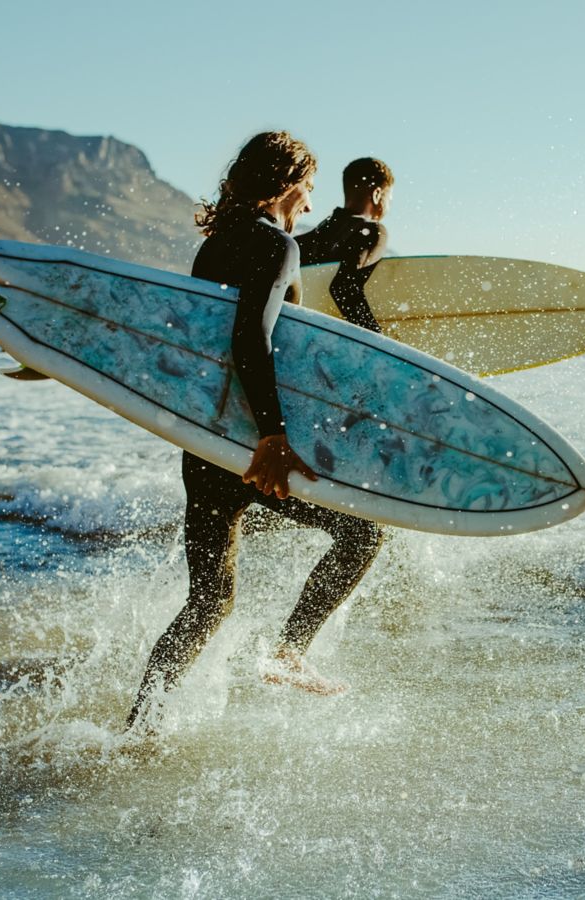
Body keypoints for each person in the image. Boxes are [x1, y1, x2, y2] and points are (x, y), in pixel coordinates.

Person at [126, 132, 384, 729]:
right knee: (362, 535)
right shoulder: (274, 245)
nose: (311, 206)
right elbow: (252, 337)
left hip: (208, 440)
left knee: (209, 602)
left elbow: (205, 341)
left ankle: (139, 729)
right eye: (309, 190)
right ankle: (291, 652)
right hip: (252, 443)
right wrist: (272, 436)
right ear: (289, 183)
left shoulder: (217, 245)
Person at [293, 157, 394, 333]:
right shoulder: (373, 231)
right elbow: (344, 287)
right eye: (389, 199)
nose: (388, 206)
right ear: (377, 194)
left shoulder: (306, 240)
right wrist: (376, 339)